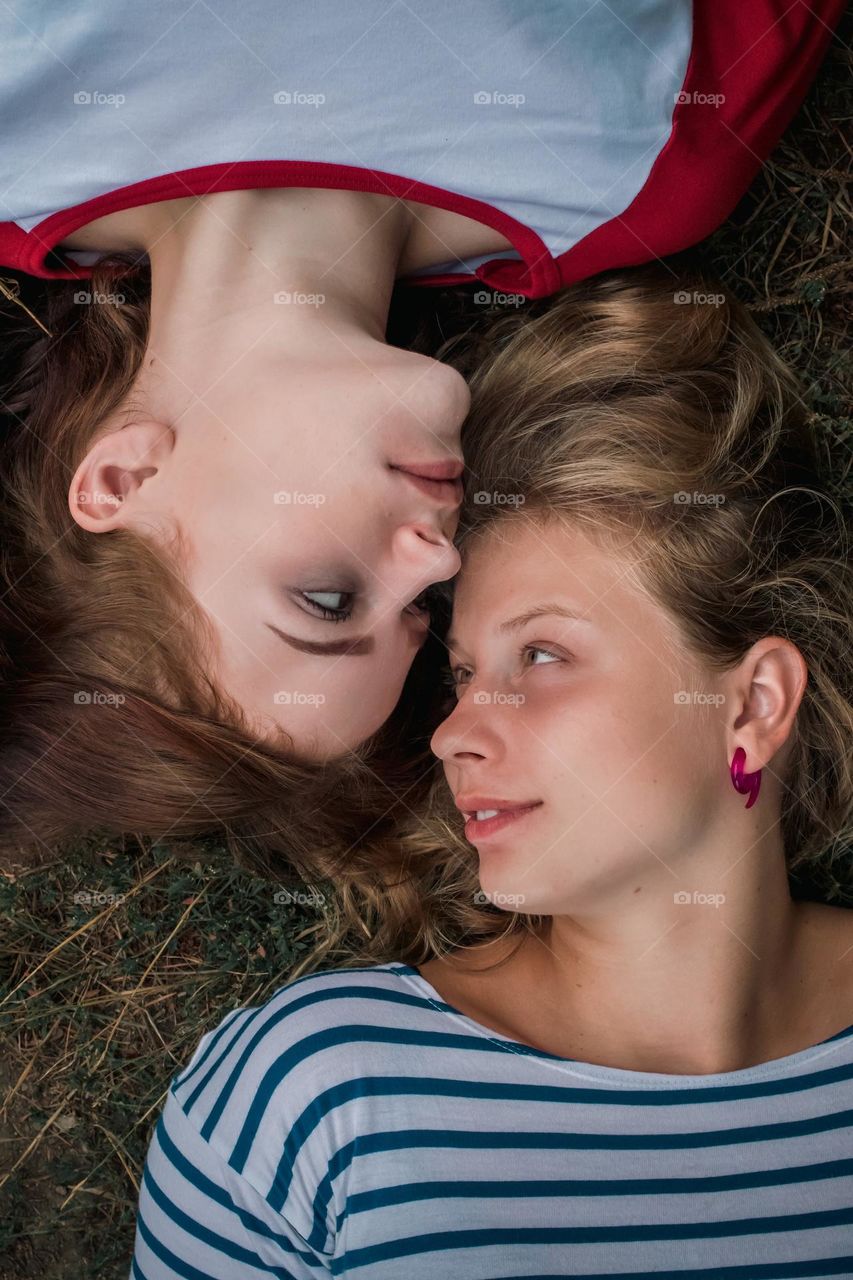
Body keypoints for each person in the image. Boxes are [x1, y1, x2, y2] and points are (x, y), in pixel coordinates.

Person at [128, 268, 853, 1277]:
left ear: (753, 704)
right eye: (464, 673)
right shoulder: (311, 1103)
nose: (453, 734)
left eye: (540, 655)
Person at [0, 1, 844, 857]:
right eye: (417, 610)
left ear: (124, 480)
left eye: (327, 600)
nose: (439, 559)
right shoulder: (645, 176)